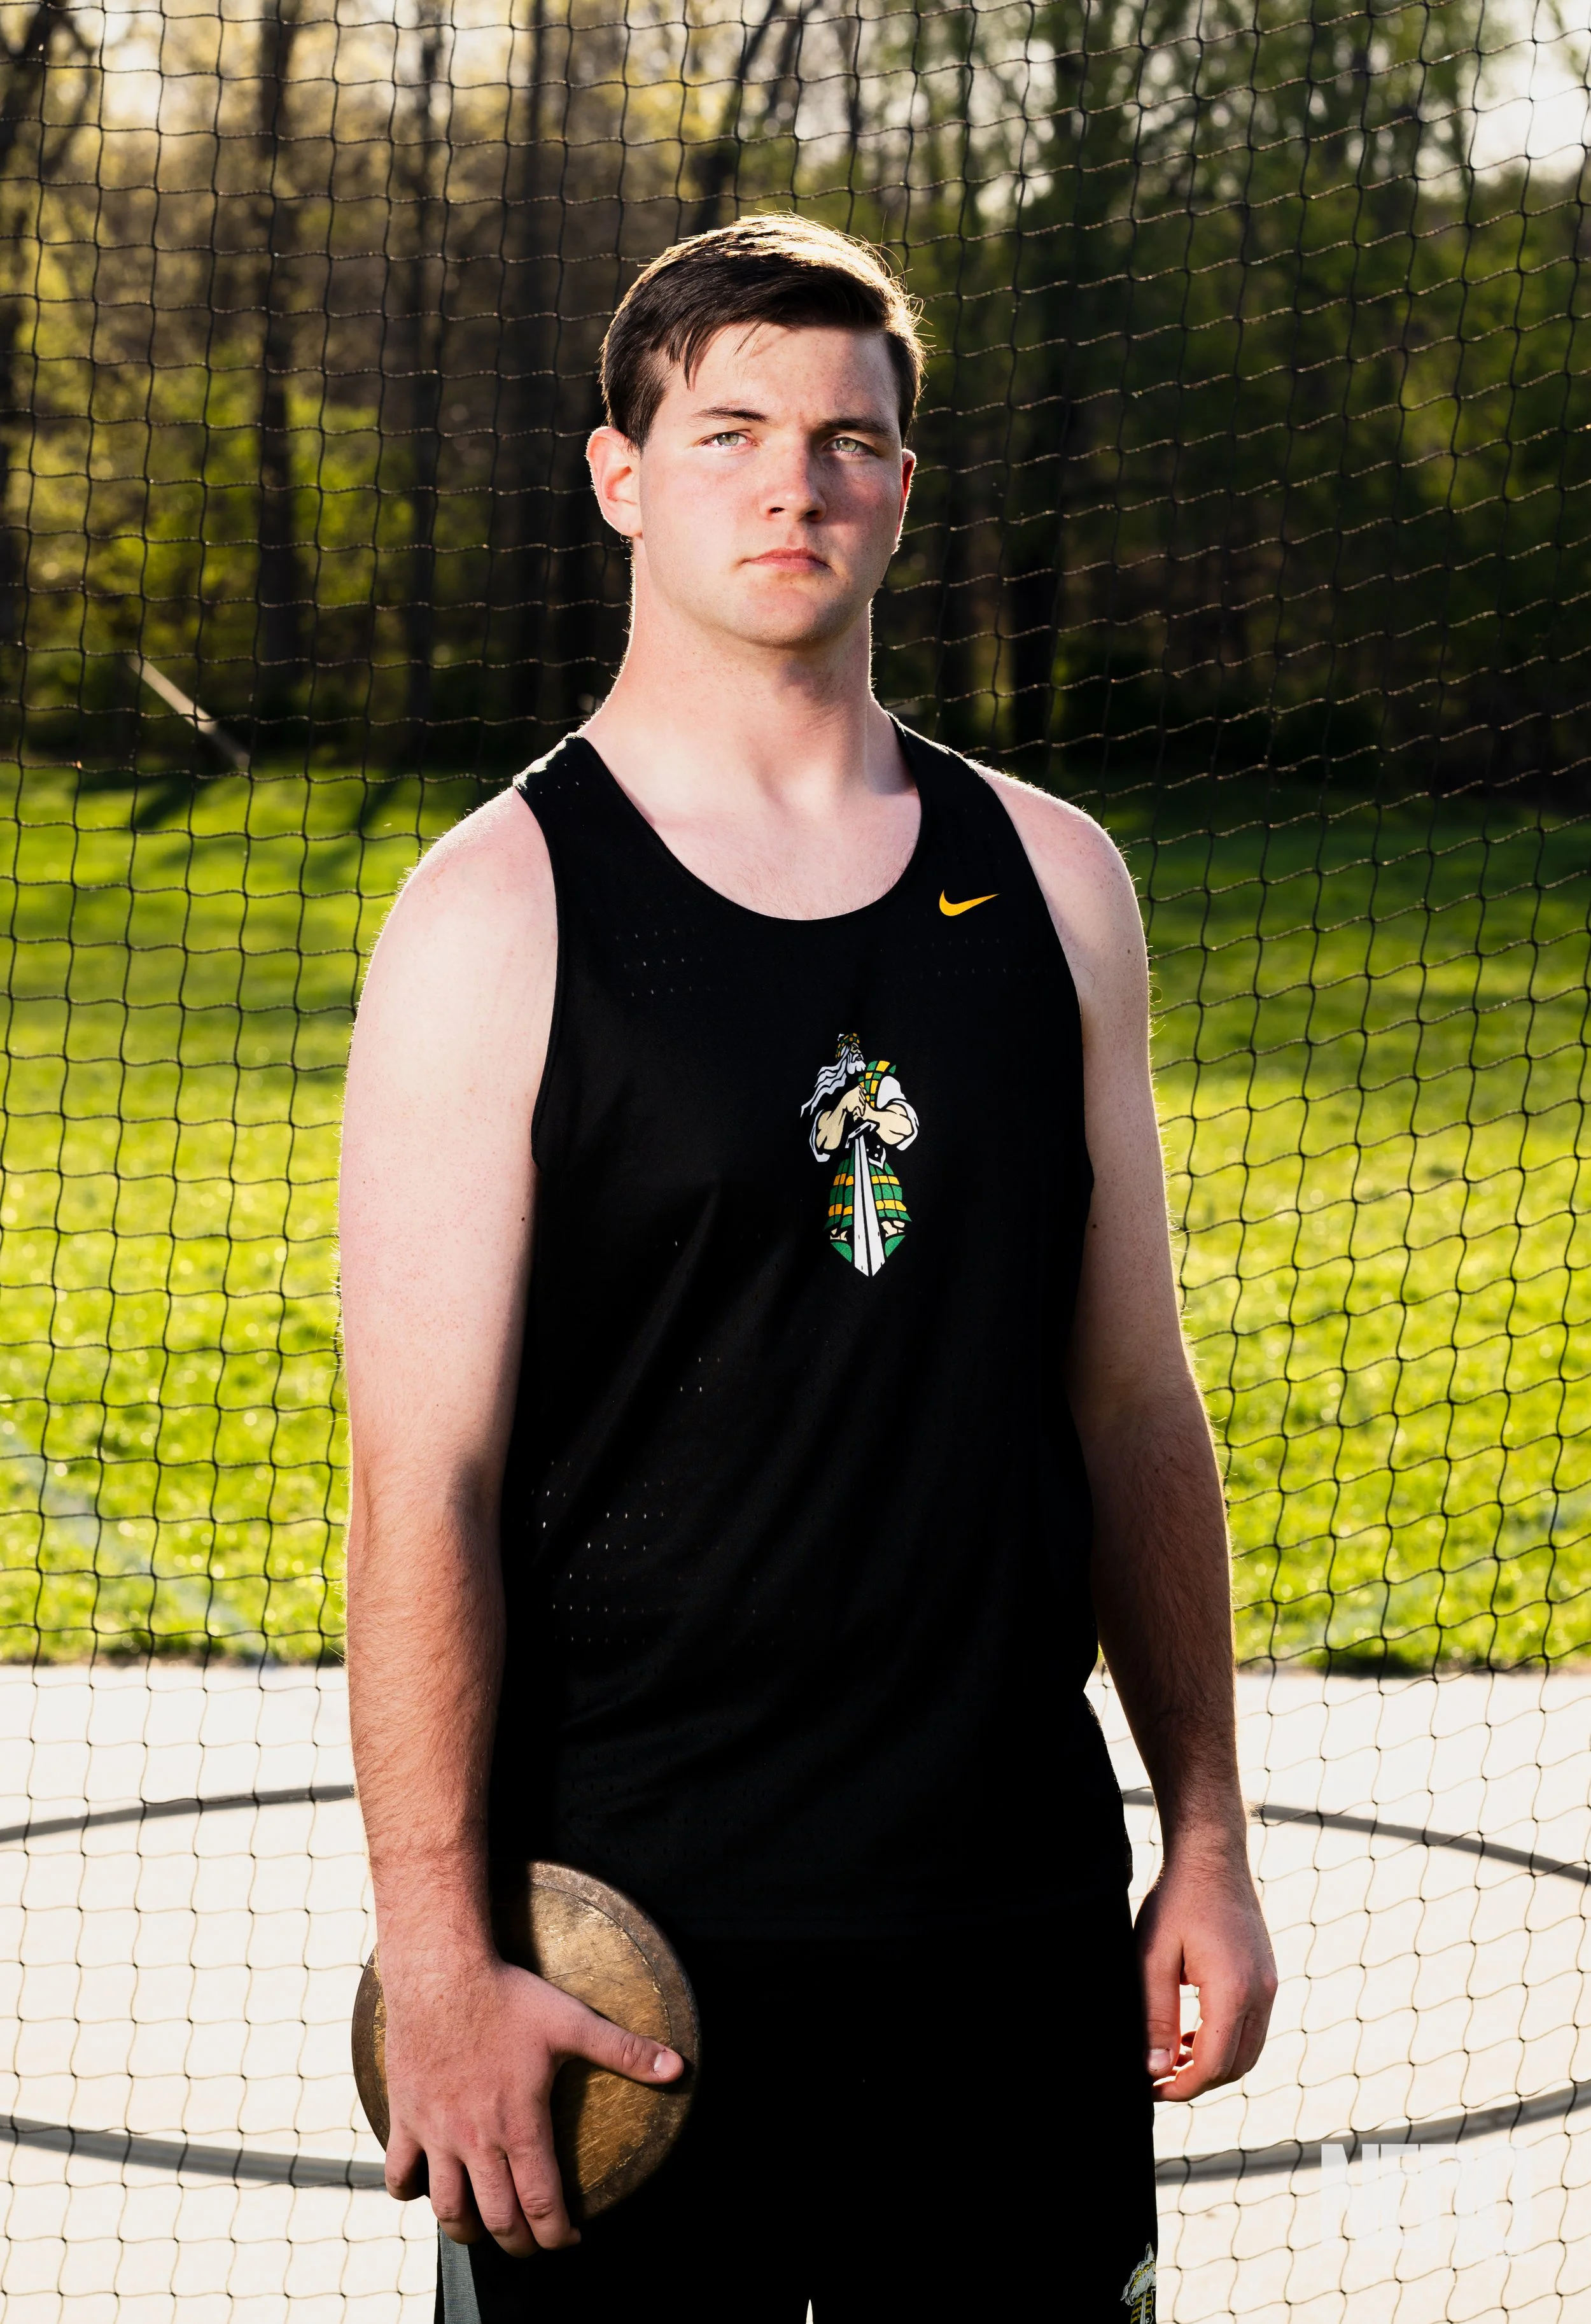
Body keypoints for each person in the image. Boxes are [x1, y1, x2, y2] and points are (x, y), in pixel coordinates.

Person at [338, 213, 1277, 2324]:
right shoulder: (496, 912)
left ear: (903, 493)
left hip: (1007, 1926)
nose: (793, 483)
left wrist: (1199, 1830)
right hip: (635, 1956)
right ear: (618, 475)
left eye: (847, 441)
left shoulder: (1050, 879)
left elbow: (1131, 1399)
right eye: (730, 431)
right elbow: (424, 1490)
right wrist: (437, 1957)